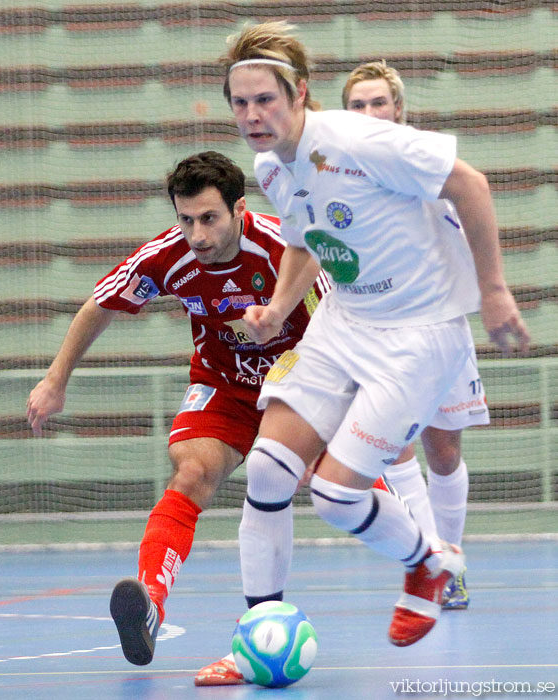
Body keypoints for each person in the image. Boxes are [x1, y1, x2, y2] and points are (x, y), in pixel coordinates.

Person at [220, 19, 529, 654]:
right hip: (346, 321)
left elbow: (469, 183)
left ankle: (427, 559)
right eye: (241, 102)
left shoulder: (361, 141)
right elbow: (306, 237)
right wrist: (278, 308)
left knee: (335, 496)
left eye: (265, 100)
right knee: (270, 470)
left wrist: (494, 291)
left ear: (300, 93)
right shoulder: (271, 166)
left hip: (418, 334)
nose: (252, 114)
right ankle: (256, 634)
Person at [26, 151, 331, 672]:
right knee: (190, 473)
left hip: (303, 380)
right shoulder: (167, 258)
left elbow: (340, 320)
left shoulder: (285, 247)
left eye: (209, 219)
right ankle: (149, 604)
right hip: (223, 385)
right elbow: (100, 304)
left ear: (238, 209)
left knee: (342, 490)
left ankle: (428, 560)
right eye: (185, 219)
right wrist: (56, 378)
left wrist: (324, 423)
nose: (197, 235)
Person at [342, 59, 492, 610]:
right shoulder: (337, 170)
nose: (368, 113)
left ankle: (452, 553)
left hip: (440, 323)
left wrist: (490, 289)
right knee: (393, 445)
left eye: (378, 102)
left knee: (444, 448)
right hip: (379, 328)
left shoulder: (427, 160)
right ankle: (435, 565)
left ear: (398, 109)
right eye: (357, 105)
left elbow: (472, 204)